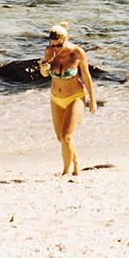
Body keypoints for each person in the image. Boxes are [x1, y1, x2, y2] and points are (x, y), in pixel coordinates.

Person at [37, 22, 95, 176]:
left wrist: (93, 99)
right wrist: (43, 69)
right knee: (60, 138)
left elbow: (87, 76)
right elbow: (44, 74)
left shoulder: (77, 52)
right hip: (55, 98)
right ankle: (76, 161)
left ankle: (66, 172)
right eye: (52, 44)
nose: (55, 47)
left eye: (58, 44)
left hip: (75, 97)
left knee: (66, 136)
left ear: (65, 38)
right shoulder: (49, 51)